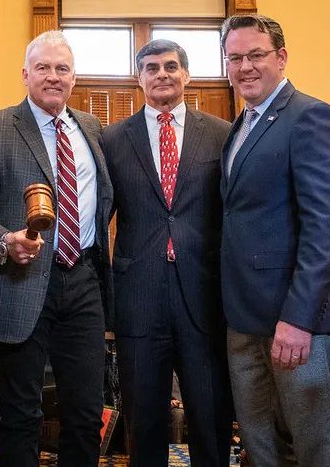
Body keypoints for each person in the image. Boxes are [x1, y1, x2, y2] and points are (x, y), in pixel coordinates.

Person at [0, 30, 113, 467]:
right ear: (25, 74)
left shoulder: (92, 129)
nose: (53, 76)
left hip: (83, 279)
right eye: (43, 68)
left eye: (62, 68)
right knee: (20, 413)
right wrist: (4, 241)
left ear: (74, 77)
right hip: (21, 279)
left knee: (87, 412)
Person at [220, 13, 330, 467]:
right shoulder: (239, 126)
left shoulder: (311, 116)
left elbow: (325, 226)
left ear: (281, 57)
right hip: (244, 317)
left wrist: (298, 319)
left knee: (316, 445)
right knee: (260, 444)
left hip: (298, 320)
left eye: (255, 55)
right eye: (234, 58)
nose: (245, 67)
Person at [101, 39, 233, 467]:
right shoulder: (113, 139)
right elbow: (98, 215)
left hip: (204, 298)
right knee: (144, 423)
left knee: (211, 418)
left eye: (171, 66)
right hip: (139, 298)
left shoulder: (221, 133)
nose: (162, 74)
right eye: (152, 67)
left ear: (187, 75)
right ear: (139, 78)